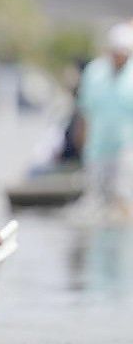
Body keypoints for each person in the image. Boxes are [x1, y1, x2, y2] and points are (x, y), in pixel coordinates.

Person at [76, 22, 133, 217]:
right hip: (97, 146)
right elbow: (84, 109)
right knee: (96, 201)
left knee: (124, 198)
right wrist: (80, 139)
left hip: (127, 148)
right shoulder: (94, 71)